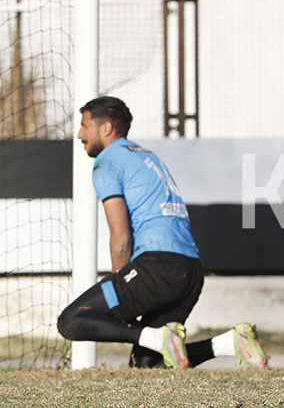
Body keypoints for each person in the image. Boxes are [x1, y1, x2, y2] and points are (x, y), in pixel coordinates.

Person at [58, 96, 268, 369]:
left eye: (85, 126)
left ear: (106, 128)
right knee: (146, 365)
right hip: (189, 272)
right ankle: (230, 343)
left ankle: (155, 337)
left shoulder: (108, 161)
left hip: (156, 269)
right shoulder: (146, 155)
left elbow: (121, 239)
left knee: (71, 320)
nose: (79, 134)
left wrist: (125, 290)